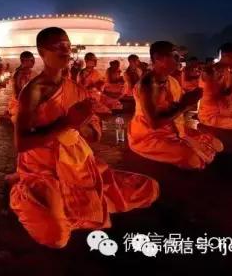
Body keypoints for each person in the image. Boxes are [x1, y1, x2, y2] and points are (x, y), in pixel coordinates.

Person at [9, 27, 159, 249]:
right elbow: (22, 143)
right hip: (43, 168)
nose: (66, 51)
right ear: (42, 51)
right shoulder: (33, 90)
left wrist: (82, 125)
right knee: (57, 237)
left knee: (149, 187)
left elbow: (93, 132)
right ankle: (20, 190)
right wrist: (67, 123)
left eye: (68, 46)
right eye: (58, 47)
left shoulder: (75, 88)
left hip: (77, 163)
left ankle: (75, 201)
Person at [128, 41, 223, 169]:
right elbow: (154, 123)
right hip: (150, 137)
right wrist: (185, 104)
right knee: (193, 159)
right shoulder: (147, 85)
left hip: (176, 130)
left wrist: (190, 98)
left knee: (217, 145)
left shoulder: (171, 80)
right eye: (175, 56)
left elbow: (176, 104)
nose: (179, 60)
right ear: (158, 58)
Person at [0, 51, 35, 122]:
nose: (34, 62)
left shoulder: (28, 71)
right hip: (20, 101)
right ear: (25, 61)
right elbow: (19, 91)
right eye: (32, 60)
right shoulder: (20, 74)